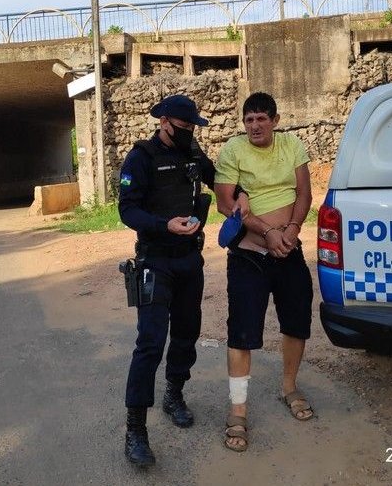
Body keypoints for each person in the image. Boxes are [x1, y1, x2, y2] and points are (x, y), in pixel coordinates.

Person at [118, 94, 247, 467]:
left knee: (188, 331)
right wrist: (163, 225)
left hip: (189, 259)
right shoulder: (141, 157)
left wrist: (241, 196)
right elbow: (127, 209)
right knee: (150, 342)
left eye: (193, 128)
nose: (189, 134)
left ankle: (174, 393)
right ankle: (135, 429)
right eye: (183, 128)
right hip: (154, 260)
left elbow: (218, 182)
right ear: (164, 123)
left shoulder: (192, 152)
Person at [213, 91, 315, 453]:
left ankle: (289, 387)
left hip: (288, 250)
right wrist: (266, 232)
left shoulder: (292, 145)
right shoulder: (233, 151)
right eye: (249, 119)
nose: (254, 125)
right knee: (241, 333)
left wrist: (291, 231)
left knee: (296, 323)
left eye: (261, 118)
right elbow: (225, 202)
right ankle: (237, 409)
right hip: (248, 256)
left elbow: (304, 192)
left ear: (274, 120)